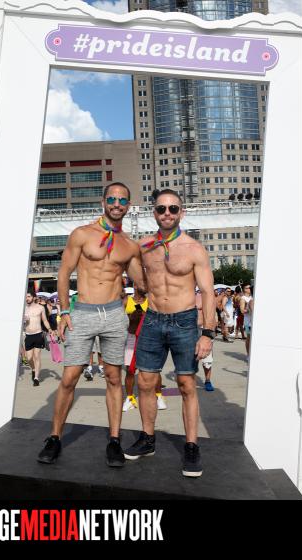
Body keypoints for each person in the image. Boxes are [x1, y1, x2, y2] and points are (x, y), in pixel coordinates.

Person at [37, 182, 147, 468]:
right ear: (103, 202)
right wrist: (64, 312)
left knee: (114, 377)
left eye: (122, 200)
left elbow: (142, 283)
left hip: (114, 314)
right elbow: (64, 273)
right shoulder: (82, 234)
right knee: (69, 377)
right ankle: (54, 437)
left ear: (128, 205)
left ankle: (114, 440)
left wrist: (155, 255)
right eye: (112, 199)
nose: (116, 204)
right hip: (83, 312)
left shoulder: (130, 245)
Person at [124, 189, 216, 478]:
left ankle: (191, 446)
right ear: (154, 212)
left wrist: (207, 333)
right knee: (145, 381)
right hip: (152, 319)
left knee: (187, 385)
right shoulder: (143, 246)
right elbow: (127, 267)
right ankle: (148, 439)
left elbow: (208, 292)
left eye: (173, 208)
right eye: (161, 208)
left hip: (184, 322)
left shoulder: (194, 249)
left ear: (181, 213)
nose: (167, 213)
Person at [122, 289, 167, 412]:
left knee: (154, 369)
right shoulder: (127, 301)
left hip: (149, 337)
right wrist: (131, 317)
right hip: (131, 337)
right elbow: (119, 320)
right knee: (130, 370)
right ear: (135, 285)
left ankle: (158, 396)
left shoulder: (151, 301)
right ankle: (130, 398)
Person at [23, 293, 55, 386]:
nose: (27, 298)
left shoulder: (40, 308)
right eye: (26, 297)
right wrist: (23, 320)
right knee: (29, 358)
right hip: (28, 335)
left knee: (37, 356)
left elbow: (44, 320)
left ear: (34, 297)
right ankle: (33, 369)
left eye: (29, 296)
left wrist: (50, 329)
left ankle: (36, 378)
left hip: (38, 334)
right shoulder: (23, 308)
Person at [195, 287, 216, 391]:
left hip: (204, 330)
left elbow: (212, 315)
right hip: (189, 330)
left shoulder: (205, 296)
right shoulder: (183, 295)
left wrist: (211, 332)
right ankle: (190, 379)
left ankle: (208, 380)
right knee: (191, 356)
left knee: (207, 358)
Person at [241, 283, 254, 357]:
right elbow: (242, 311)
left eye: (249, 288)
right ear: (244, 289)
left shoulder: (252, 297)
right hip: (247, 321)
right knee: (249, 338)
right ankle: (248, 355)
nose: (249, 289)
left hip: (252, 320)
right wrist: (249, 309)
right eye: (247, 288)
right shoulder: (243, 298)